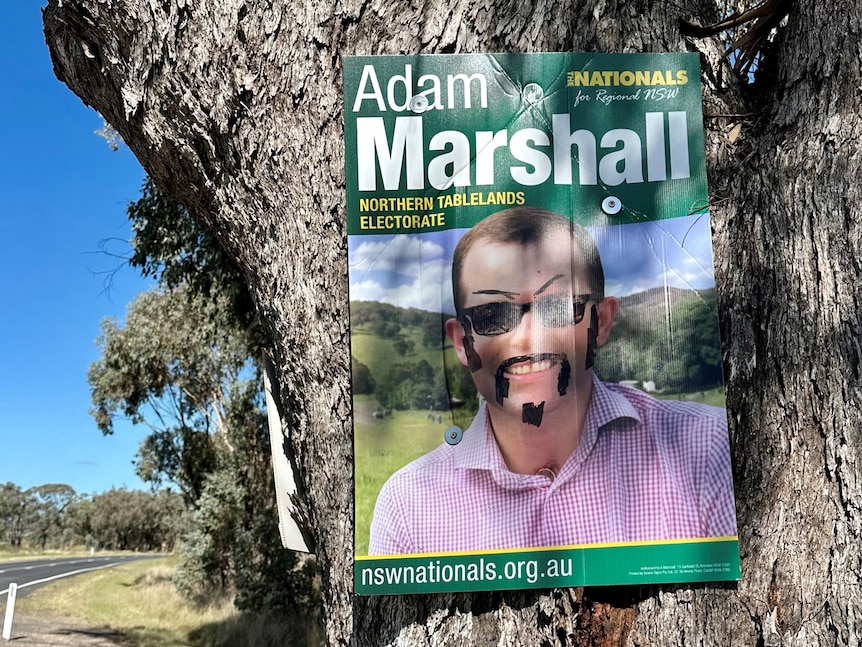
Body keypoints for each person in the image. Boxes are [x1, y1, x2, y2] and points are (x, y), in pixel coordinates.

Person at [368, 207, 737, 555]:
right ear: (462, 341)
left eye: (558, 307)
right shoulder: (408, 507)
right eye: (493, 314)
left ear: (603, 321)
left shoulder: (707, 452)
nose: (529, 340)